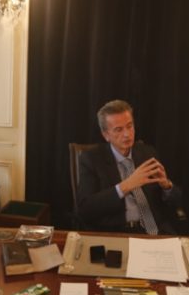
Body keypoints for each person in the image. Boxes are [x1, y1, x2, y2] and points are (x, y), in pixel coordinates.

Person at [77, 99, 182, 234]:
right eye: (118, 129)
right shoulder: (92, 159)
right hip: (118, 233)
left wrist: (166, 186)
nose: (127, 134)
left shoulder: (148, 153)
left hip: (157, 231)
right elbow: (85, 209)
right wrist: (126, 185)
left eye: (129, 126)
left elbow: (177, 201)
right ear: (106, 135)